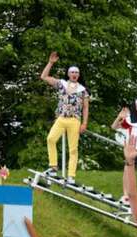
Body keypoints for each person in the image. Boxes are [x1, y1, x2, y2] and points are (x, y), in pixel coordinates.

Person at [40, 51, 90, 185]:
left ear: (79, 75)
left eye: (76, 73)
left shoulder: (83, 90)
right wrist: (50, 63)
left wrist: (84, 123)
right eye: (72, 72)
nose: (74, 74)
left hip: (74, 120)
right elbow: (44, 76)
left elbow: (85, 108)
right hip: (61, 118)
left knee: (73, 149)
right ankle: (53, 167)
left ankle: (71, 176)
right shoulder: (61, 83)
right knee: (51, 139)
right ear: (68, 74)